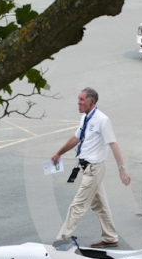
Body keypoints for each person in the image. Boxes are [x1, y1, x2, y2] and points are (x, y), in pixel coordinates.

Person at [51, 88, 131, 248]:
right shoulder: (85, 118)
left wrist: (122, 169)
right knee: (100, 205)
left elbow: (113, 144)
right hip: (86, 168)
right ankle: (110, 237)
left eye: (82, 100)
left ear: (92, 102)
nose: (78, 103)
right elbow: (76, 138)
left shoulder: (102, 120)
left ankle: (62, 238)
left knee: (78, 205)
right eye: (78, 99)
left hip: (95, 169)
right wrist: (59, 153)